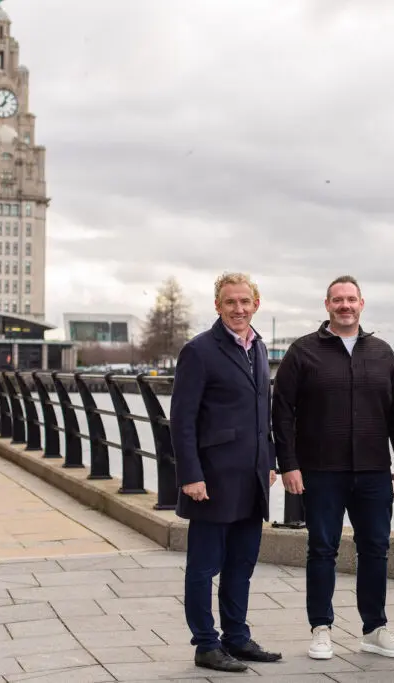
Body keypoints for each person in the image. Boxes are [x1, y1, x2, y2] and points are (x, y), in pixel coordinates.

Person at [272, 275, 394, 661]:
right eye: (338, 300)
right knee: (321, 550)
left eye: (351, 299)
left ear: (362, 304)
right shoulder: (302, 353)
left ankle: (374, 629)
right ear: (327, 305)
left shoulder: (382, 353)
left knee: (375, 549)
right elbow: (281, 413)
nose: (345, 306)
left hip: (373, 472)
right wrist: (289, 464)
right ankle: (321, 629)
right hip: (321, 472)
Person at [170, 272, 283, 673]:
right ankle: (205, 643)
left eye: (245, 302)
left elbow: (261, 415)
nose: (238, 309)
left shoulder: (259, 348)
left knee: (242, 564)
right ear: (217, 306)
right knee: (203, 566)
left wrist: (268, 461)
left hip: (251, 479)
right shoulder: (199, 351)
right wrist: (190, 475)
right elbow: (182, 420)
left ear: (256, 305)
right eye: (230, 302)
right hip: (212, 480)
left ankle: (236, 636)